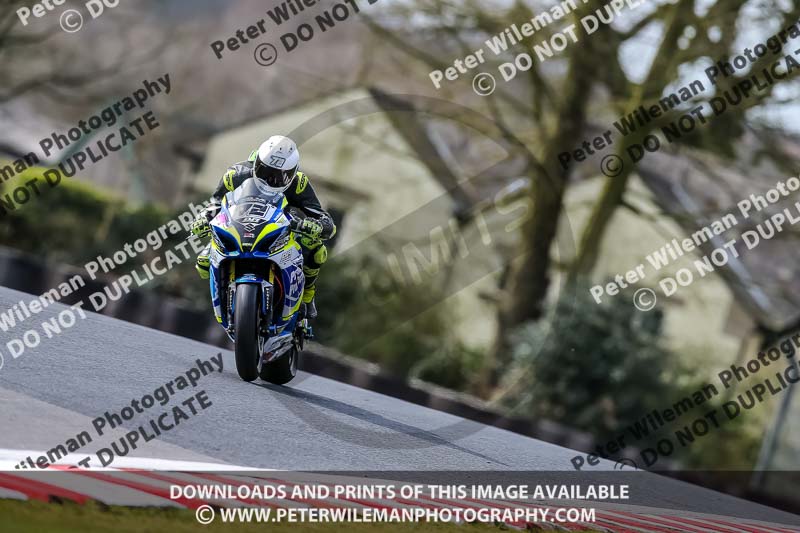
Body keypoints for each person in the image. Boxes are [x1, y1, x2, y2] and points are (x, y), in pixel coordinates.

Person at [191, 135, 335, 319]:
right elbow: (216, 203)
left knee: (316, 250)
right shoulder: (236, 174)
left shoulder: (299, 184)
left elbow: (324, 219)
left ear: (292, 173)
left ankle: (307, 296)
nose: (271, 180)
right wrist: (204, 217)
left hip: (281, 228)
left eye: (280, 176)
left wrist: (315, 226)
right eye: (265, 171)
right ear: (257, 162)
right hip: (239, 225)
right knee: (203, 263)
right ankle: (223, 294)